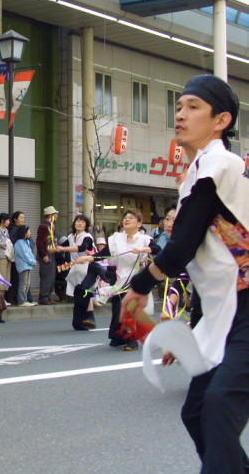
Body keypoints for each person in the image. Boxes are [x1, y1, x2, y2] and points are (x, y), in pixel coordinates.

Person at [122, 75, 249, 473]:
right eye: (179, 106)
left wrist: (141, 286)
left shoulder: (220, 164)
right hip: (226, 310)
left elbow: (185, 243)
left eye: (193, 107)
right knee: (196, 412)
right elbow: (208, 269)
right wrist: (195, 334)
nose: (180, 114)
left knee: (217, 405)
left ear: (221, 120)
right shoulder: (199, 169)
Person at [76, 209, 158, 350]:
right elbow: (102, 254)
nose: (126, 220)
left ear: (138, 223)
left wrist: (144, 250)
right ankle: (119, 336)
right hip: (118, 277)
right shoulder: (116, 239)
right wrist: (87, 258)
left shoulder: (144, 240)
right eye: (125, 217)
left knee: (129, 309)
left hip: (135, 278)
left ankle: (132, 339)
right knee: (117, 308)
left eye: (131, 218)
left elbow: (158, 250)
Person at [56, 214, 96, 330]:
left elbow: (83, 248)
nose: (79, 223)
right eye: (78, 221)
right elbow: (62, 246)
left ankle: (88, 318)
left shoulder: (87, 237)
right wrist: (54, 247)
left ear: (86, 225)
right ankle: (79, 322)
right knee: (78, 296)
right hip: (76, 269)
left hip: (86, 267)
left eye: (82, 222)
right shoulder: (71, 236)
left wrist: (63, 249)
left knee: (84, 294)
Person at [36, 206, 59, 305]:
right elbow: (40, 242)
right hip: (46, 254)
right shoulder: (43, 226)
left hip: (52, 253)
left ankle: (48, 296)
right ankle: (44, 297)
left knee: (51, 277)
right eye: (55, 214)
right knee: (46, 277)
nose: (56, 216)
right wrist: (43, 255)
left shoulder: (51, 226)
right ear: (51, 215)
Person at [14, 225, 37, 306]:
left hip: (27, 265)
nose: (30, 233)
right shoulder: (19, 242)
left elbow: (29, 253)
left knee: (27, 284)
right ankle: (22, 301)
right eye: (29, 231)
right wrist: (32, 261)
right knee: (23, 284)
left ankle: (25, 300)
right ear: (24, 232)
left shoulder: (25, 241)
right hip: (23, 266)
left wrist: (33, 261)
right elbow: (24, 255)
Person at [7, 210, 26, 304]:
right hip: (15, 257)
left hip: (17, 257)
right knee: (15, 278)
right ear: (15, 219)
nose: (23, 219)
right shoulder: (15, 229)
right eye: (21, 217)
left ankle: (13, 298)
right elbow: (13, 242)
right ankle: (12, 298)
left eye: (24, 218)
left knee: (16, 278)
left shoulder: (18, 228)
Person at [0, 213, 12, 298]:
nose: (9, 222)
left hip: (7, 256)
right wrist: (6, 243)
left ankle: (2, 299)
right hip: (0, 256)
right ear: (2, 220)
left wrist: (6, 244)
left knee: (6, 278)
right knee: (1, 277)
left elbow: (7, 243)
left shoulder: (7, 230)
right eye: (7, 220)